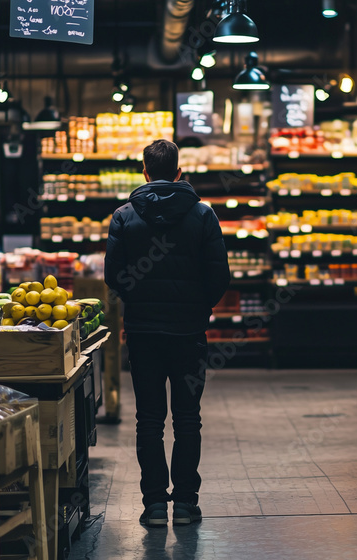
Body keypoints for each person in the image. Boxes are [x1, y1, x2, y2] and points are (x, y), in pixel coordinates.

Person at [104, 139, 230, 527]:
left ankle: (155, 504)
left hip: (142, 334)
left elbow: (114, 277)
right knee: (188, 418)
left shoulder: (124, 216)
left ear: (144, 171)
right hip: (189, 334)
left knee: (149, 420)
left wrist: (139, 301)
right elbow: (219, 277)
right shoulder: (203, 215)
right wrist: (199, 307)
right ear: (179, 172)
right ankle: (187, 504)